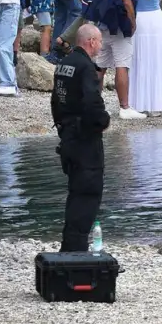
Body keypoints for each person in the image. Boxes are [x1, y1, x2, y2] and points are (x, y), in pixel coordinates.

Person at [51, 22, 109, 252]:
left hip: (68, 137)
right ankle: (76, 249)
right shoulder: (85, 67)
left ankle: (70, 245)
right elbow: (91, 102)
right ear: (91, 41)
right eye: (100, 42)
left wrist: (62, 129)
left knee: (75, 192)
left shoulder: (64, 63)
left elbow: (55, 100)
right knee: (88, 193)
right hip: (85, 140)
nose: (101, 46)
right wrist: (103, 121)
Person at [92, 0, 142, 120]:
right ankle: (124, 107)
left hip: (102, 23)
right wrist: (133, 22)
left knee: (101, 65)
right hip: (118, 25)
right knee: (122, 64)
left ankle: (94, 103)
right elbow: (126, 0)